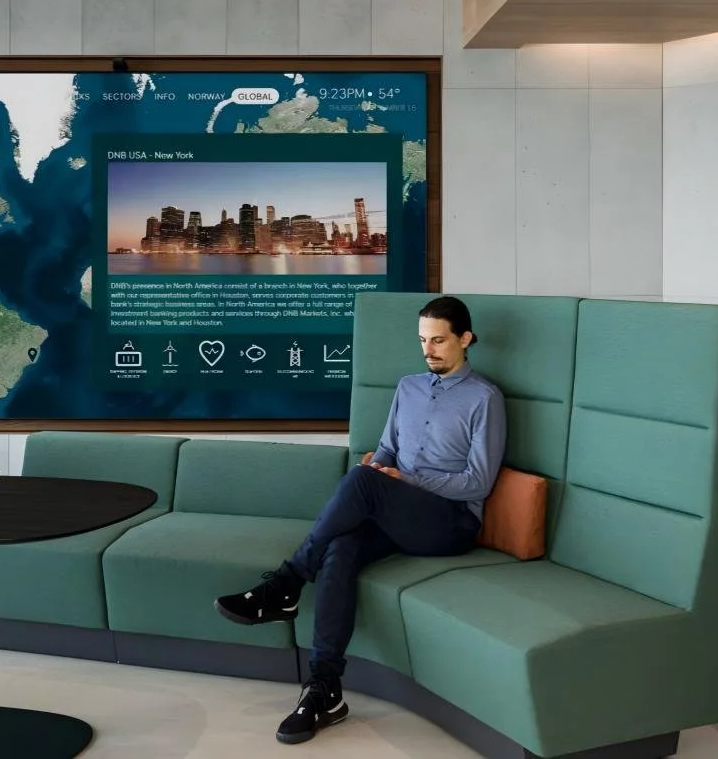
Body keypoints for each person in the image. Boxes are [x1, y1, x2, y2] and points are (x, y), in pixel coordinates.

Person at [214, 296, 506, 745]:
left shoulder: (485, 398)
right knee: (341, 547)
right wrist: (383, 468)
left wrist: (402, 478)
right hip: (396, 512)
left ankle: (287, 582)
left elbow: (478, 483)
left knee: (362, 482)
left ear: (466, 339)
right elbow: (387, 447)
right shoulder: (407, 387)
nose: (429, 350)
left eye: (440, 341)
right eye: (423, 340)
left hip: (448, 523)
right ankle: (324, 689)